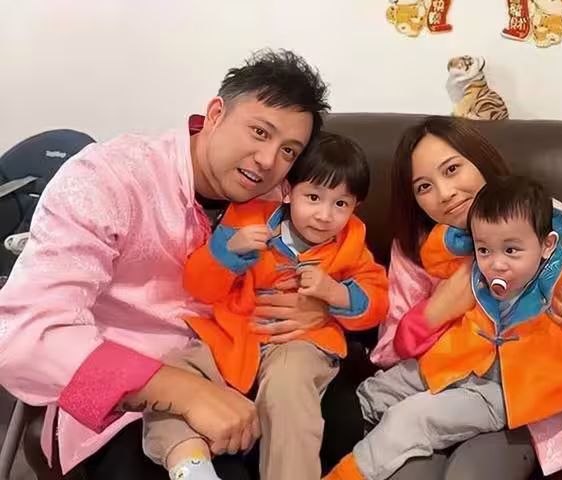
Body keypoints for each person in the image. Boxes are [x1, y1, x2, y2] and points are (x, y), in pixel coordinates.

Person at [0, 49, 330, 479]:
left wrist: (315, 307)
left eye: (288, 151)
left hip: (240, 371)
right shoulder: (108, 178)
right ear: (215, 114)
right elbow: (22, 337)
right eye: (259, 132)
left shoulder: (282, 201)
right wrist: (181, 390)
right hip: (123, 405)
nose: (268, 161)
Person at [324, 175, 562, 480]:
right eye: (485, 250)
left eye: (512, 250)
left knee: (411, 417)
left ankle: (347, 474)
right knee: (383, 388)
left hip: (509, 390)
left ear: (547, 245)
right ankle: (338, 428)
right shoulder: (476, 259)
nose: (496, 263)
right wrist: (464, 237)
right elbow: (434, 257)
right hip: (457, 361)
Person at [363, 116, 562, 480]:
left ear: (480, 161)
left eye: (452, 169)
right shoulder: (416, 246)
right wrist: (437, 310)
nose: (445, 193)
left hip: (524, 403)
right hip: (438, 392)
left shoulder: (549, 221)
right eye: (424, 186)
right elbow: (388, 349)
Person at [143, 132, 388, 480]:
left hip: (299, 343)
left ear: (354, 207)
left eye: (340, 204)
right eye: (313, 197)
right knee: (170, 372)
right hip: (234, 337)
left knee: (288, 387)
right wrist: (228, 251)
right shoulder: (247, 220)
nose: (324, 215)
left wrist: (335, 293)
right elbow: (198, 285)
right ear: (288, 191)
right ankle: (191, 465)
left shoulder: (352, 245)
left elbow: (377, 300)